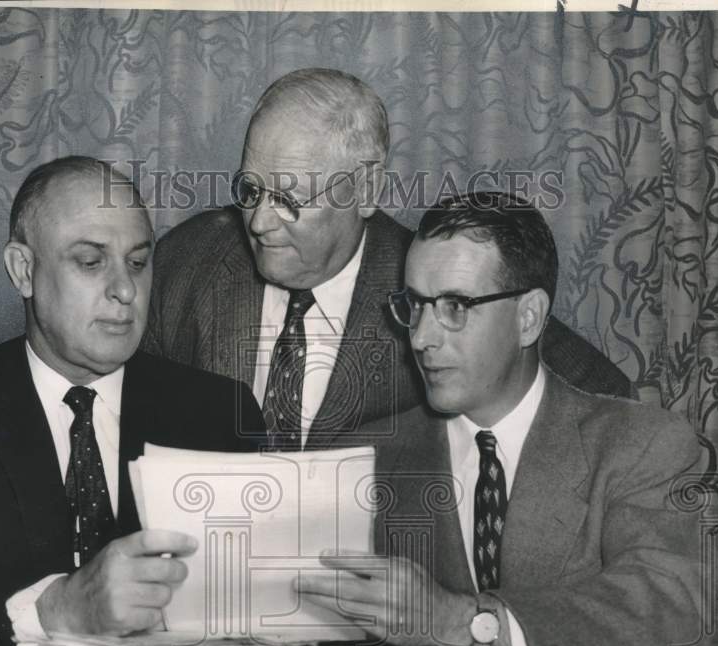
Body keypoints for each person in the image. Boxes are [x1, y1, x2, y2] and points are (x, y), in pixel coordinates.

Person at [0, 156, 265, 646]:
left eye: (137, 262)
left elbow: (262, 608)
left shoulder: (220, 412)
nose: (125, 290)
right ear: (23, 270)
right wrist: (53, 611)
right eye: (90, 262)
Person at [296, 192, 705, 646]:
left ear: (528, 318)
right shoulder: (356, 458)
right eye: (415, 305)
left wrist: (463, 622)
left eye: (455, 306)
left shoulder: (641, 443)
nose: (422, 338)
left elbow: (669, 609)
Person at [143, 68, 633, 450]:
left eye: (290, 199)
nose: (258, 222)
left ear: (365, 191)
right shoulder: (192, 258)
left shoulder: (431, 283)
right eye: (251, 190)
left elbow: (602, 393)